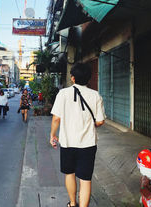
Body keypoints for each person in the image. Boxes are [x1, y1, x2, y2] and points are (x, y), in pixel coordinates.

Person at [50, 62, 106, 207]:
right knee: (85, 179)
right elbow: (100, 121)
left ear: (73, 78)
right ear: (88, 79)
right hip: (88, 144)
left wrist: (52, 135)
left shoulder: (63, 94)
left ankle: (73, 203)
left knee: (70, 174)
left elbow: (56, 118)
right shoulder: (95, 95)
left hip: (68, 142)